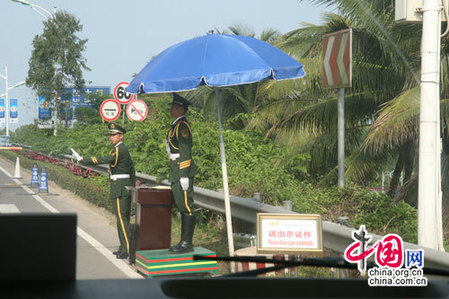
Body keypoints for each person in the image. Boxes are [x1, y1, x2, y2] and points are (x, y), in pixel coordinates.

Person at [71, 123, 136, 259]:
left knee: (122, 219)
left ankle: (127, 249)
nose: (111, 137)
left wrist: (83, 159)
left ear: (121, 136)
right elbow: (131, 169)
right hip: (122, 185)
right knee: (120, 219)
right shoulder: (120, 149)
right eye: (110, 135)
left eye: (114, 135)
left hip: (120, 187)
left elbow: (104, 159)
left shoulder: (119, 150)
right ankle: (124, 247)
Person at [166, 93, 197, 254]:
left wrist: (184, 174)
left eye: (173, 106)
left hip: (181, 170)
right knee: (181, 204)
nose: (171, 109)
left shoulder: (182, 126)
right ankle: (183, 241)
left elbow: (185, 151)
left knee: (186, 206)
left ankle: (187, 243)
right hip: (176, 170)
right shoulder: (176, 125)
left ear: (181, 109)